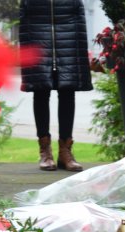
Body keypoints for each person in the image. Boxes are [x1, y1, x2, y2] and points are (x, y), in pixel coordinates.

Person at [18, 0, 92, 171]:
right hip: (36, 26)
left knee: (67, 90)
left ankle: (65, 151)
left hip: (69, 26)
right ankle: (45, 150)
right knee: (41, 89)